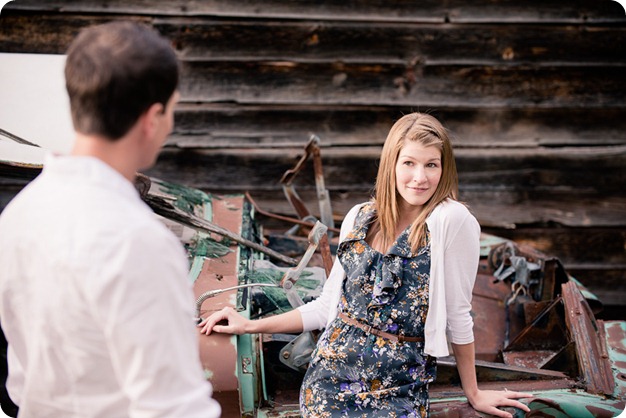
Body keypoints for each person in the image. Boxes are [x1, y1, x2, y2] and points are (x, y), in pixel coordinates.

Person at [199, 112, 533, 417]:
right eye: (409, 163)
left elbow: (460, 314)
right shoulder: (360, 218)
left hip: (398, 386)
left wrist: (473, 393)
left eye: (432, 165)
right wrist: (249, 325)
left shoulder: (452, 221)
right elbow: (328, 306)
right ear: (391, 164)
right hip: (331, 380)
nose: (420, 177)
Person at [0, 21, 221, 417]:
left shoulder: (18, 214)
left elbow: (19, 379)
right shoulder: (138, 242)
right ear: (152, 118)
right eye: (172, 110)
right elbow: (173, 409)